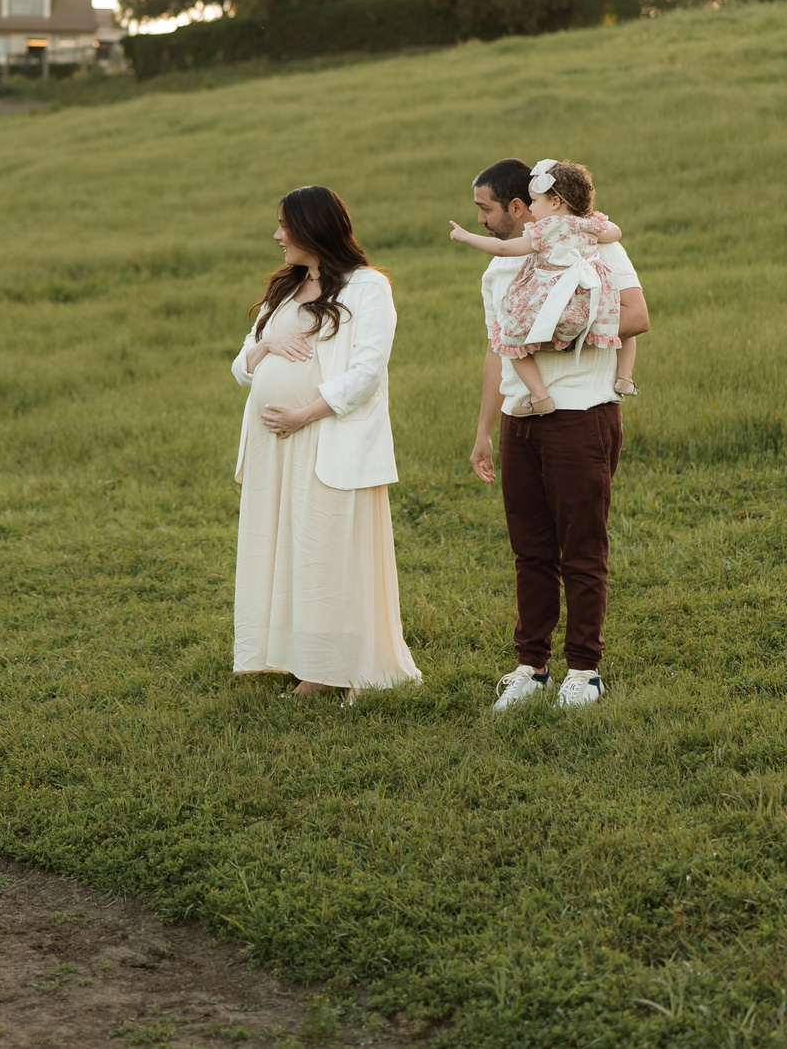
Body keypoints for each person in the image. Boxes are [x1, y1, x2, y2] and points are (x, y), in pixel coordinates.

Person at [465, 158, 649, 712]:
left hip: (580, 414)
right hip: (521, 422)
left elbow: (637, 316)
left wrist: (549, 336)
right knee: (531, 549)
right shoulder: (498, 270)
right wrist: (484, 432)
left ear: (524, 206)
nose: (480, 218)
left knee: (582, 547)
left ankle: (584, 672)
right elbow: (498, 350)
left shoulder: (596, 244)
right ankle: (531, 666)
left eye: (486, 209)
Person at [230, 184, 422, 701]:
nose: (277, 236)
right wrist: (265, 344)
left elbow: (367, 371)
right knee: (288, 548)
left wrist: (304, 414)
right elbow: (241, 365)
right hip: (277, 444)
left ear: (314, 228)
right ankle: (302, 658)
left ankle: (337, 668)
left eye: (284, 227)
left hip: (326, 435)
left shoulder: (366, 287)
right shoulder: (284, 289)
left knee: (329, 548)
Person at [447, 157, 626, 414]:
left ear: (552, 202)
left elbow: (503, 248)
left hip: (582, 406)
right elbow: (614, 231)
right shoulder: (590, 230)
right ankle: (625, 377)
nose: (479, 219)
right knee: (508, 338)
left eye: (485, 209)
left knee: (509, 338)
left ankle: (540, 395)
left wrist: (465, 237)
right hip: (516, 411)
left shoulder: (554, 235)